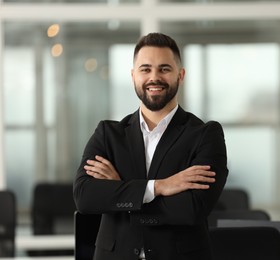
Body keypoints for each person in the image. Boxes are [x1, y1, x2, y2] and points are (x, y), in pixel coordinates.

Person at [73, 32, 228, 260]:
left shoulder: (205, 135)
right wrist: (160, 187)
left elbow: (192, 209)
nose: (154, 77)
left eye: (164, 69)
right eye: (145, 69)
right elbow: (85, 197)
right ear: (134, 75)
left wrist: (122, 192)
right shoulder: (108, 134)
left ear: (180, 75)